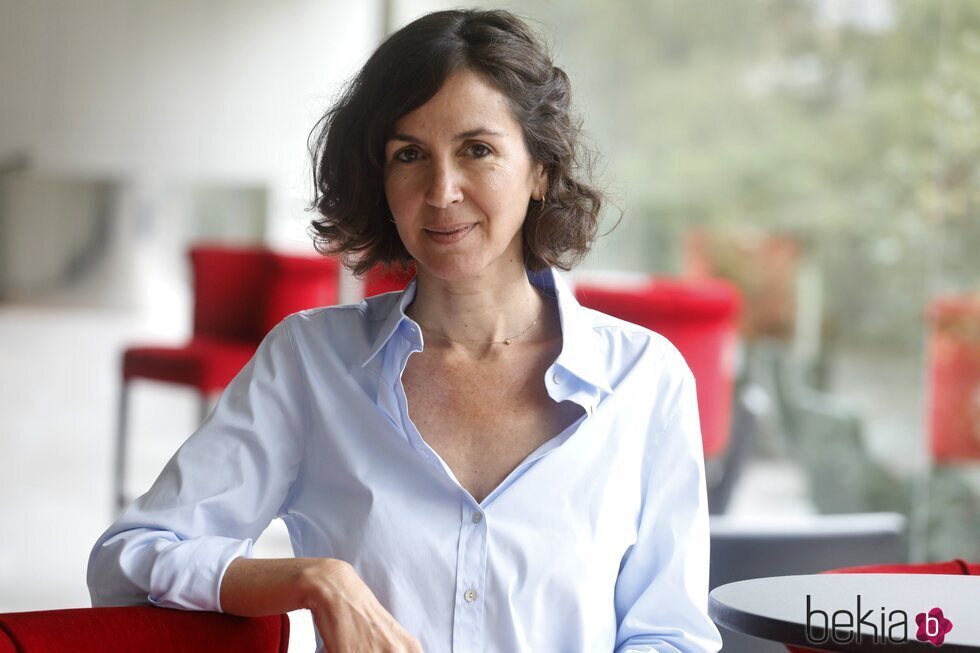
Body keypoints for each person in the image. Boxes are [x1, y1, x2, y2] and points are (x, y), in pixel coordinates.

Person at [88, 9, 722, 653]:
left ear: (540, 170)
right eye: (409, 155)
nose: (441, 191)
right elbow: (128, 559)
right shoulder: (310, 363)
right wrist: (315, 580)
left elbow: (671, 636)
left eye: (477, 150)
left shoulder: (644, 379)